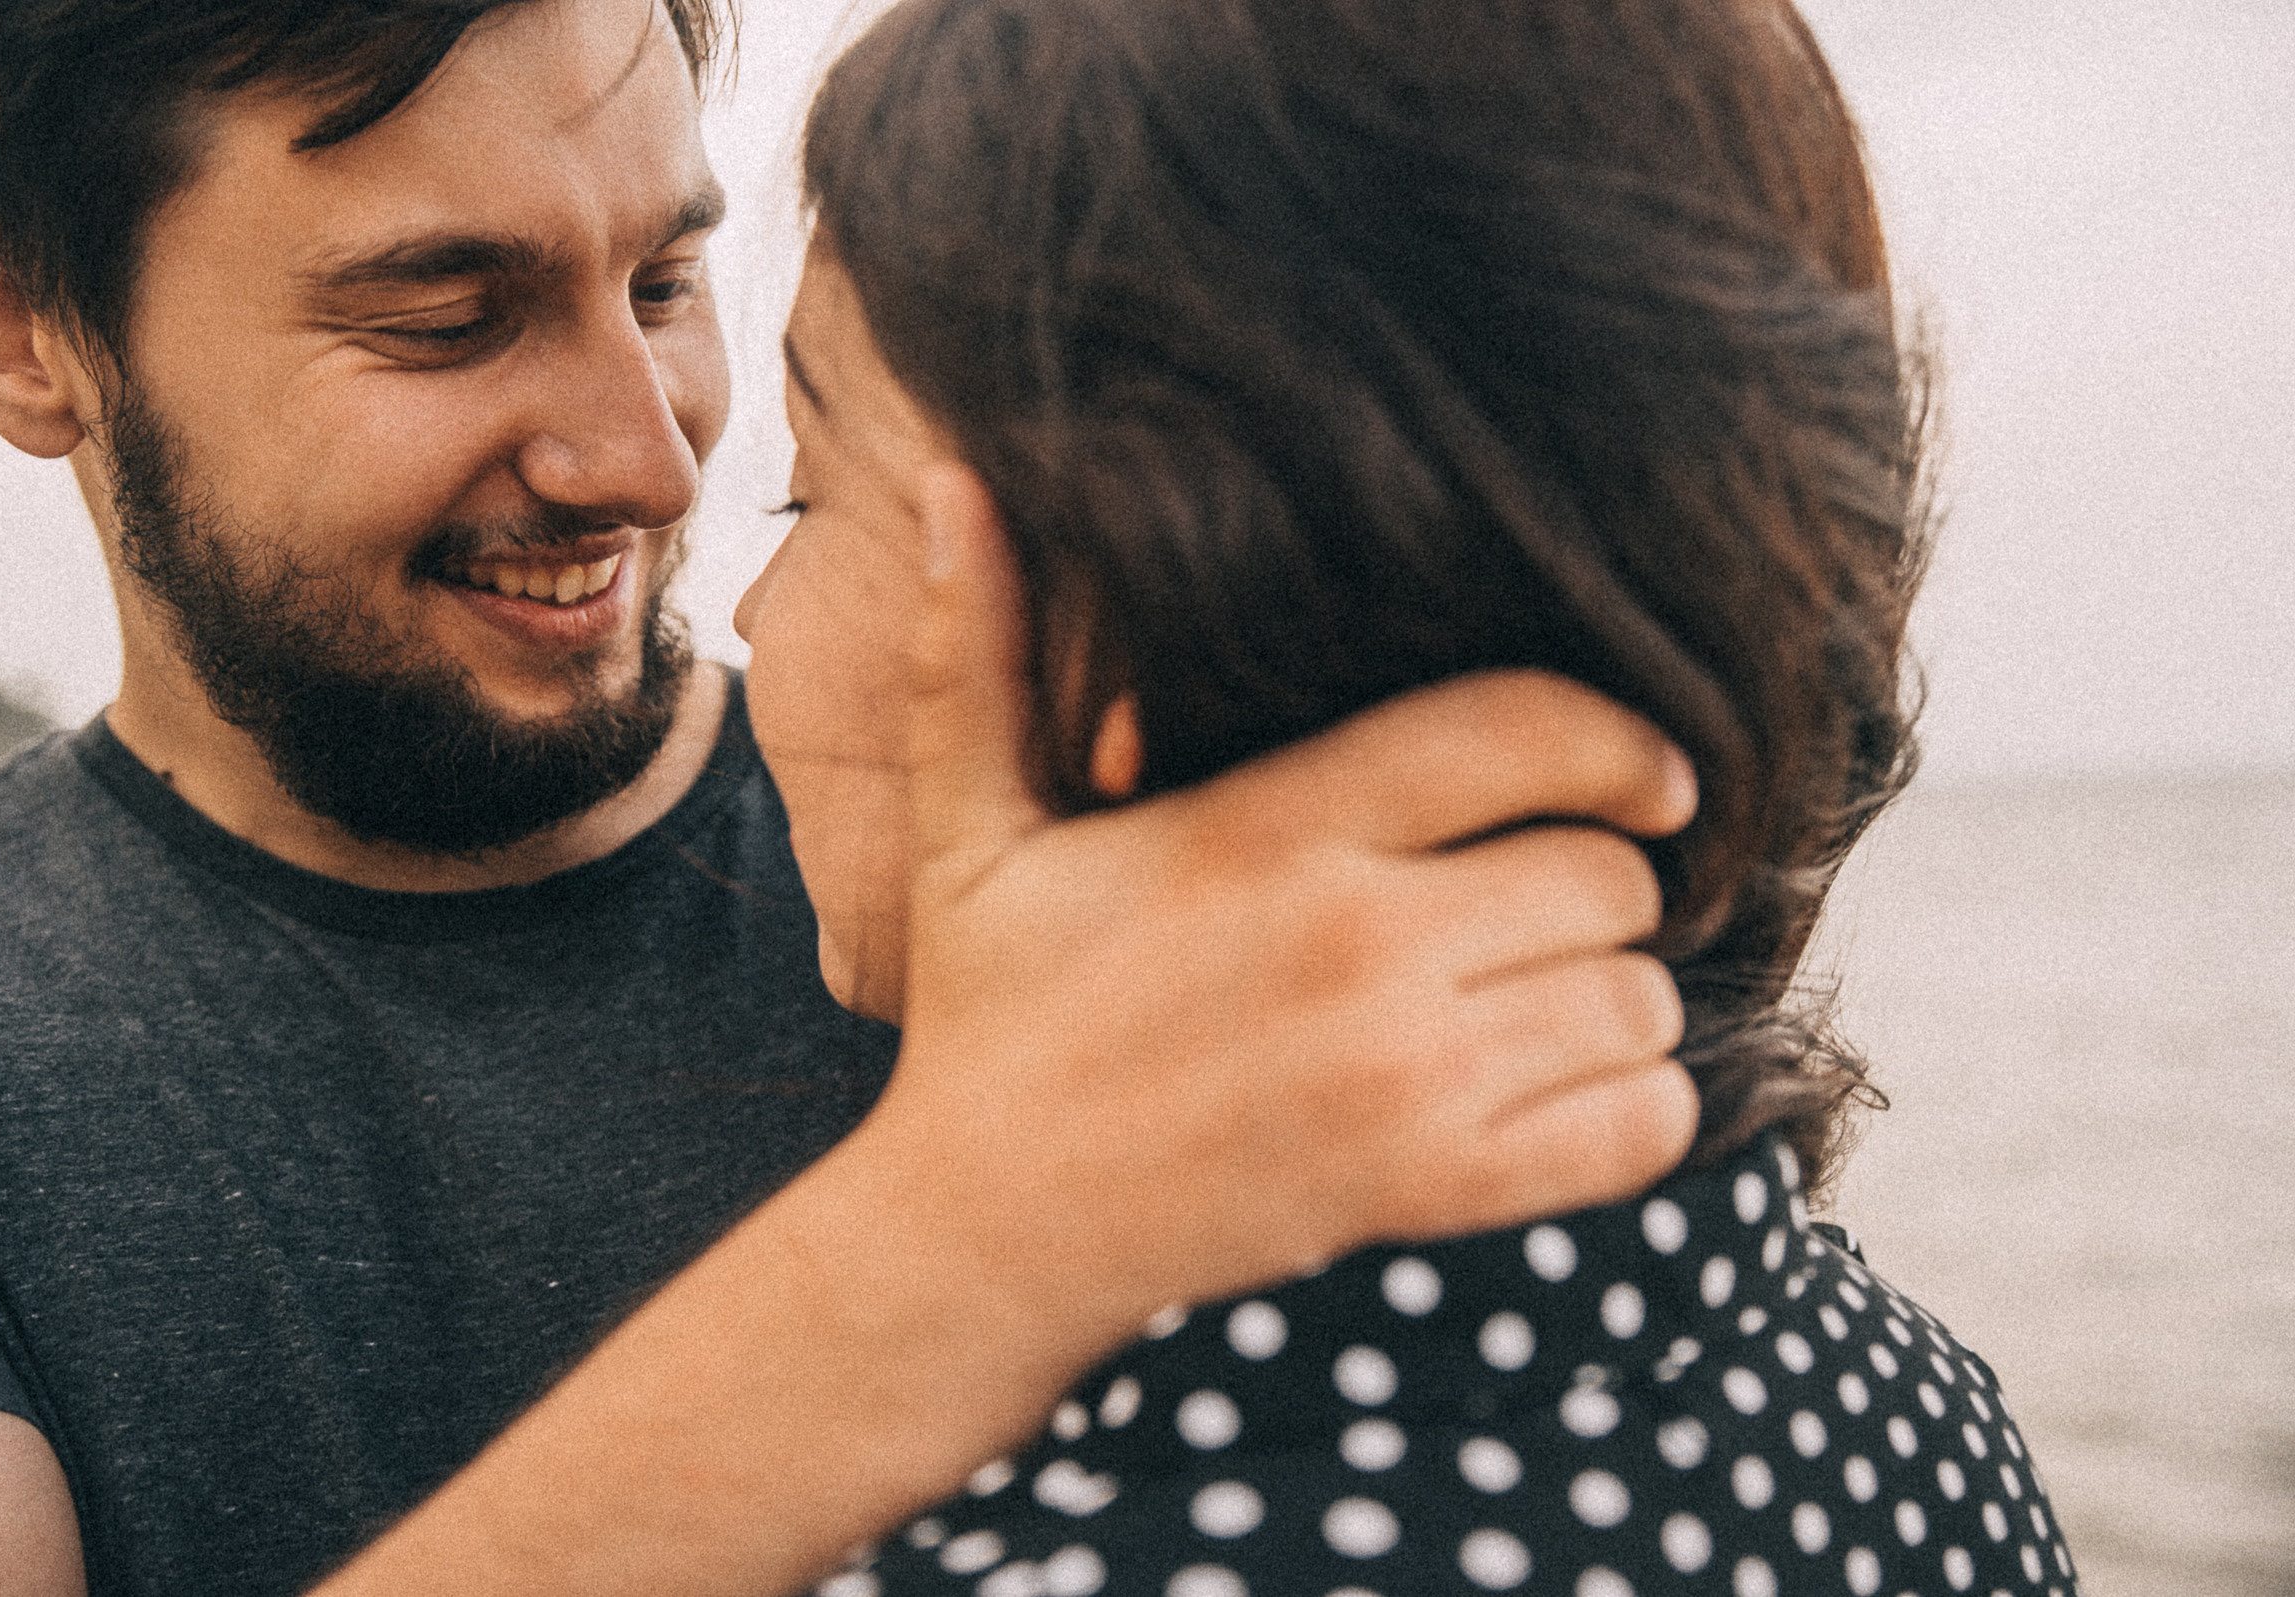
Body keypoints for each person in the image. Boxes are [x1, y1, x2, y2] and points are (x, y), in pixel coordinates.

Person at [0, 0, 1709, 1592]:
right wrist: (955, 1250)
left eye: (667, 282)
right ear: (8, 331)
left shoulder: (1077, 848)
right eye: (448, 317)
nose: (650, 454)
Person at [731, 0, 2081, 1592]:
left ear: (1144, 609)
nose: (745, 614)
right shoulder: (1924, 1423)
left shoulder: (1026, 1552)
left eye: (808, 490)